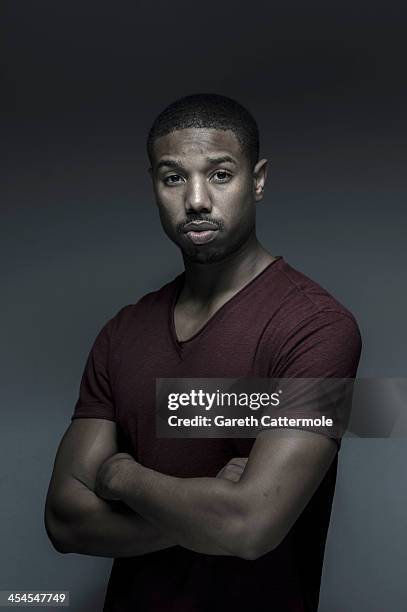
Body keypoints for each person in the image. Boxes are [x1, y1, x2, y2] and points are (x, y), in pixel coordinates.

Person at [44, 94, 362, 611]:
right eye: (173, 178)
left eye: (219, 175)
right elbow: (64, 519)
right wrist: (201, 513)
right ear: (153, 186)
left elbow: (249, 525)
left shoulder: (318, 327)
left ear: (257, 180)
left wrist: (121, 477)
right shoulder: (121, 332)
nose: (195, 200)